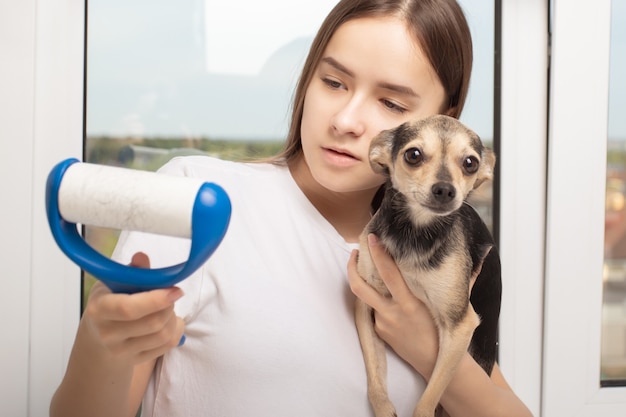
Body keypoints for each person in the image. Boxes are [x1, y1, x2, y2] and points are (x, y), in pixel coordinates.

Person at [50, 0, 533, 416]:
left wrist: (430, 351)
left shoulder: (441, 250)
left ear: (444, 124)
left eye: (390, 102)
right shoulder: (195, 197)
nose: (345, 120)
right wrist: (102, 345)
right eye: (334, 82)